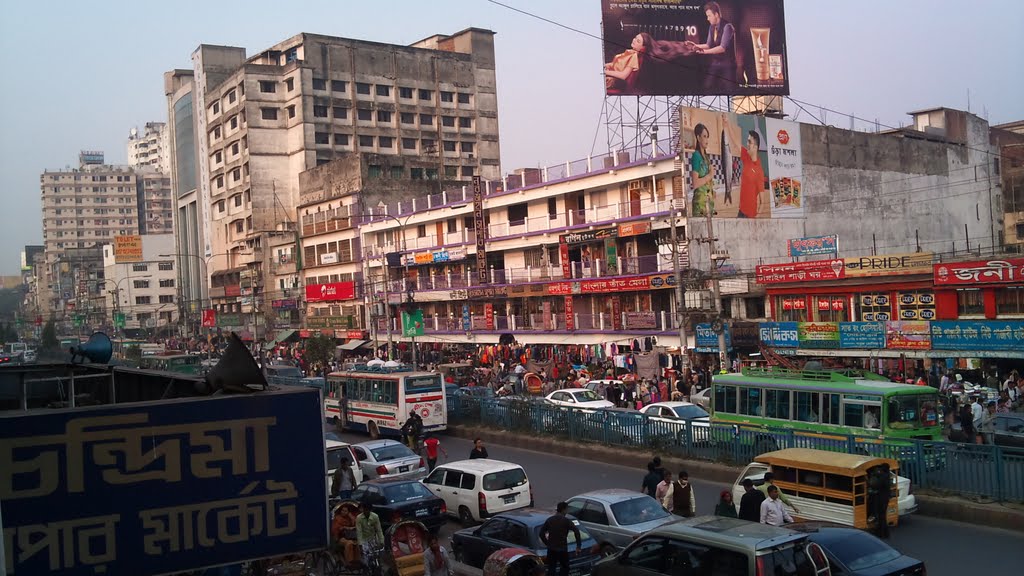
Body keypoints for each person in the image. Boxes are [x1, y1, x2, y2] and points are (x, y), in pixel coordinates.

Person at [686, 1, 737, 93]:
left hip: (728, 64)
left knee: (729, 89)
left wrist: (704, 52)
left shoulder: (727, 27)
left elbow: (722, 48)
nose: (707, 19)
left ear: (716, 14)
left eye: (709, 16)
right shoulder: (712, 27)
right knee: (707, 86)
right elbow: (708, 45)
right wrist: (696, 45)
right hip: (715, 63)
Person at [540, 502, 582, 576]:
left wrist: (548, 543)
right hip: (562, 549)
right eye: (567, 509)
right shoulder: (566, 521)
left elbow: (541, 533)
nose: (567, 511)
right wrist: (578, 546)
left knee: (551, 568)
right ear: (563, 510)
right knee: (565, 568)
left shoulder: (550, 520)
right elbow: (576, 531)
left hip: (551, 549)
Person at [689, 123, 715, 217]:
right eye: (704, 136)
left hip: (709, 202)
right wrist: (710, 175)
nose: (707, 140)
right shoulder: (696, 156)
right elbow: (695, 183)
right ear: (698, 138)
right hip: (700, 204)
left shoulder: (706, 157)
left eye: (707, 136)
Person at [737, 130, 765, 219]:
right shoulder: (746, 157)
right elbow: (734, 142)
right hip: (740, 211)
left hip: (749, 216)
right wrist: (726, 125)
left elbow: (762, 202)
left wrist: (757, 218)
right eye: (747, 141)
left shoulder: (759, 171)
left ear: (755, 147)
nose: (747, 144)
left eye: (750, 142)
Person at [866, 465, 891, 539]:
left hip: (882, 498)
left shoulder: (883, 477)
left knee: (881, 516)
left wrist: (867, 481)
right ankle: (884, 533)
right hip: (885, 498)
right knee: (882, 516)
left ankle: (882, 533)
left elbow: (875, 485)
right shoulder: (887, 476)